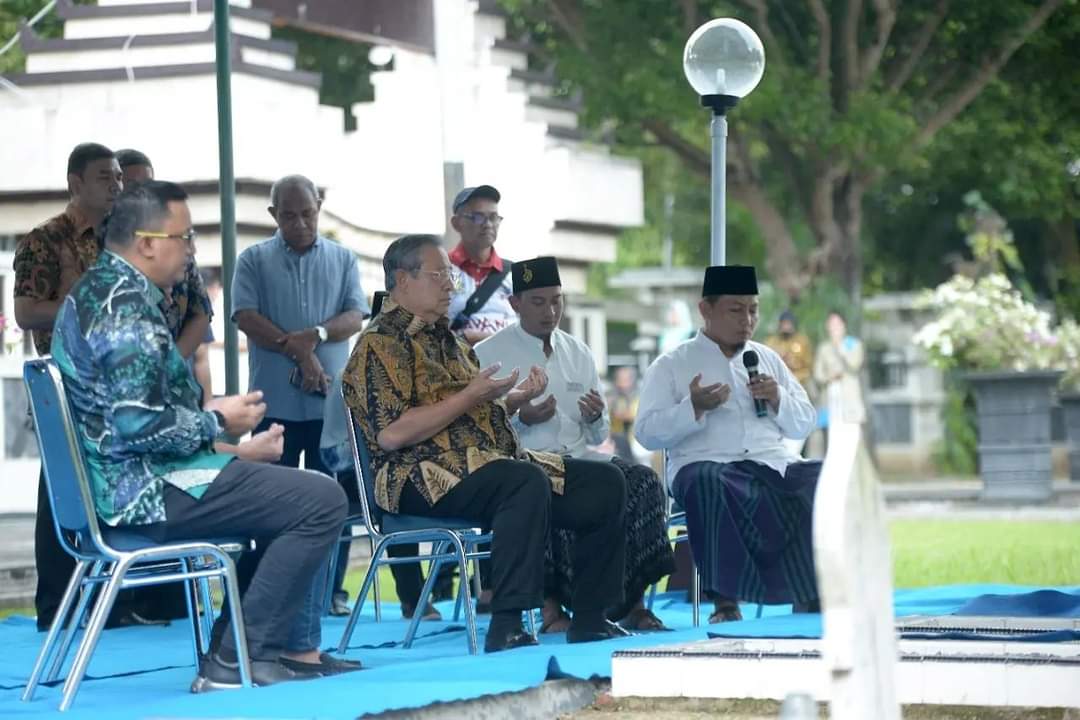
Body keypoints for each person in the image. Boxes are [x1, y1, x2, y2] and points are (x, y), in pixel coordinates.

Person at [50, 181, 354, 688]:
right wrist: (220, 421)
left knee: (292, 496)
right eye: (185, 237)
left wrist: (235, 450)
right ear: (147, 242)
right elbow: (140, 427)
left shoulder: (97, 291)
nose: (192, 250)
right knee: (320, 499)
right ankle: (238, 658)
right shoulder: (123, 309)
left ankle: (241, 649)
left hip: (135, 481)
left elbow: (138, 415)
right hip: (146, 493)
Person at [343, 234, 629, 652]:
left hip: (483, 463)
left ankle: (590, 617)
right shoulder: (379, 343)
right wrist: (471, 395)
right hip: (418, 475)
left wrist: (512, 400)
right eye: (440, 275)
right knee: (522, 481)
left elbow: (470, 411)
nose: (450, 286)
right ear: (402, 280)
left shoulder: (448, 339)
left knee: (606, 483)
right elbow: (391, 434)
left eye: (451, 277)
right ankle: (508, 622)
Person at [475, 256, 674, 632]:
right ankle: (551, 610)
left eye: (557, 300)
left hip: (580, 458)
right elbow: (478, 433)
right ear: (515, 304)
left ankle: (632, 603)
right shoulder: (487, 354)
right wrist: (520, 417)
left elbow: (598, 437)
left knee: (642, 482)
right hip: (522, 463)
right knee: (536, 486)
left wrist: (596, 416)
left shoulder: (577, 352)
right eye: (538, 302)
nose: (550, 311)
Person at [635, 265, 821, 623]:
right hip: (706, 464)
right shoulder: (673, 364)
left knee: (822, 478)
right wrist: (694, 408)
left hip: (770, 463)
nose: (747, 320)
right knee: (707, 482)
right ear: (706, 310)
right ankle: (725, 602)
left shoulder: (767, 359)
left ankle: (811, 592)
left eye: (753, 310)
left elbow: (806, 420)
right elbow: (646, 432)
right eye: (736, 310)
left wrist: (778, 397)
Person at [14, 143, 121, 632]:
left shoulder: (120, 241)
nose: (116, 185)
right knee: (60, 495)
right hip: (68, 385)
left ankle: (112, 604)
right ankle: (55, 607)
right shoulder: (43, 240)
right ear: (75, 182)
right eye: (104, 177)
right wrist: (85, 308)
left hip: (118, 385)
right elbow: (26, 312)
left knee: (113, 494)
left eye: (118, 177)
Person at [447, 185, 515, 345]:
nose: (488, 224)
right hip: (455, 365)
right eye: (477, 217)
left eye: (493, 217)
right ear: (456, 223)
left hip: (508, 366)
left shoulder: (515, 275)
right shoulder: (443, 270)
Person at [812, 310, 867, 445]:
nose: (835, 327)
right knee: (830, 443)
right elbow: (817, 374)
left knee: (849, 442)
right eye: (832, 323)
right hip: (829, 398)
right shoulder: (823, 348)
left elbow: (854, 365)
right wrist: (828, 377)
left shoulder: (853, 344)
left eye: (838, 323)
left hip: (849, 401)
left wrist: (840, 348)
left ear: (844, 325)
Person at [766, 310, 815, 456]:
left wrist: (793, 368)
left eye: (789, 324)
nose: (786, 327)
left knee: (800, 429)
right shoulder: (771, 342)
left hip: (798, 389)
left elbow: (809, 366)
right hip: (777, 392)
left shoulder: (802, 341)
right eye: (784, 324)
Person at [607, 366, 641, 463]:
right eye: (619, 380)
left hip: (635, 442)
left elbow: (630, 415)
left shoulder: (637, 396)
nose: (622, 384)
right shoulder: (614, 396)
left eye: (625, 380)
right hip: (616, 441)